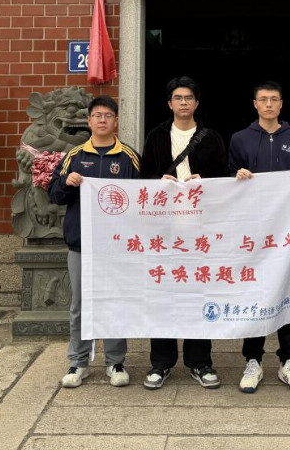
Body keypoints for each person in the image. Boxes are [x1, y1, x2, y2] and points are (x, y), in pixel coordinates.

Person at [140, 76, 228, 390]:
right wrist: (158, 180)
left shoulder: (211, 138)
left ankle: (200, 362)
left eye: (188, 98)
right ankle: (161, 362)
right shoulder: (156, 136)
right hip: (164, 230)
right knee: (162, 295)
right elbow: (143, 176)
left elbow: (224, 177)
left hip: (200, 230)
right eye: (178, 98)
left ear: (197, 103)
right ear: (169, 103)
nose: (183, 103)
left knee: (198, 294)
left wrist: (206, 181)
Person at [48, 95, 141, 388]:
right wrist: (66, 183)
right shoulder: (74, 156)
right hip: (81, 245)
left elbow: (144, 197)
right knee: (80, 304)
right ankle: (78, 361)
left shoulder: (128, 157)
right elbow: (54, 194)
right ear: (89, 121)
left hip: (116, 247)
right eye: (97, 115)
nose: (102, 120)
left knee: (115, 302)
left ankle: (115, 362)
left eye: (108, 115)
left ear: (116, 121)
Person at [228, 80, 290, 394]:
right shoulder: (240, 139)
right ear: (255, 104)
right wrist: (236, 176)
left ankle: (289, 361)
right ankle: (253, 360)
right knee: (255, 292)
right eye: (263, 99)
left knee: (287, 290)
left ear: (281, 104)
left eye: (273, 99)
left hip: (287, 231)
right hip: (253, 231)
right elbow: (226, 180)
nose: (268, 104)